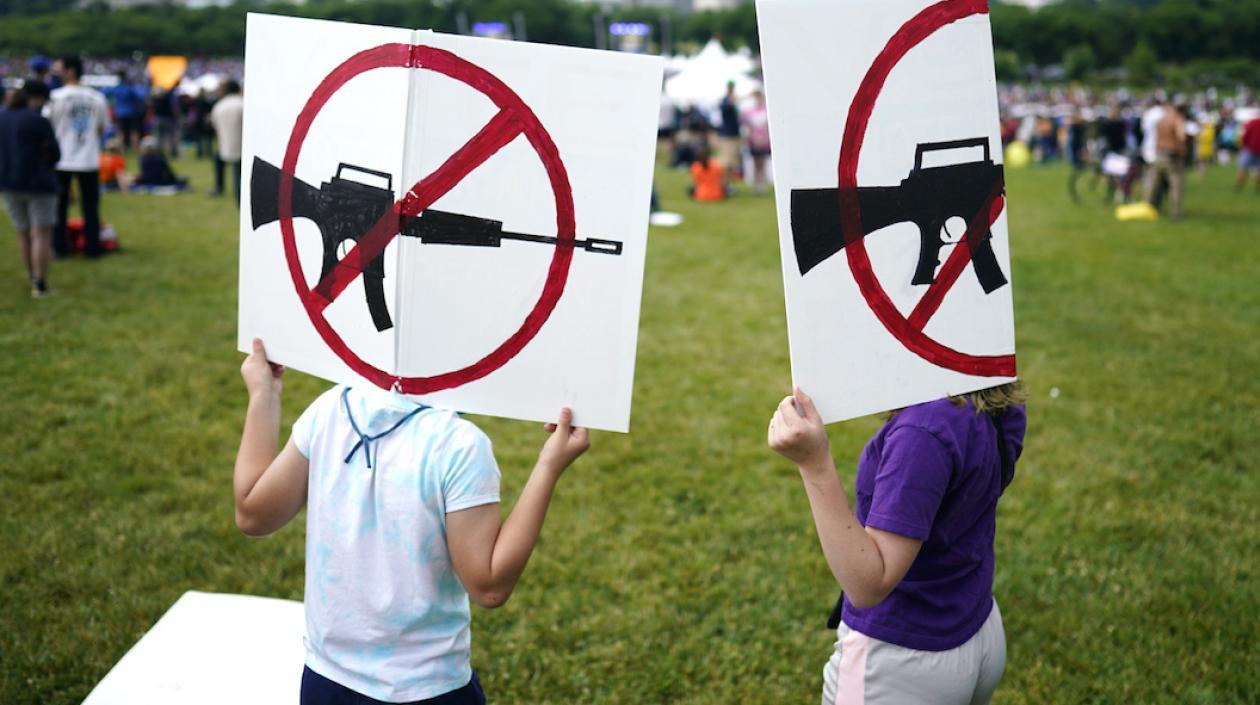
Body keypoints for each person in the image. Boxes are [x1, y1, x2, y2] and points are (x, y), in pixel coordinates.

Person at [233, 339, 590, 705]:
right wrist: (548, 467)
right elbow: (490, 586)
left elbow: (253, 514)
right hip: (426, 689)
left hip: (325, 683)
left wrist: (264, 394)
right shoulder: (459, 446)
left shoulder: (328, 410)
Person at [768, 383, 1026, 705]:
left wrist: (814, 464)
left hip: (901, 663)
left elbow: (869, 585)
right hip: (977, 625)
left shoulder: (923, 432)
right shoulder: (990, 392)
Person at [0, 82, 60, 297]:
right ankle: (39, 283)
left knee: (22, 233)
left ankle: (31, 277)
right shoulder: (38, 121)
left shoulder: (2, 117)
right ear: (37, 98)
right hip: (38, 184)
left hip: (8, 183)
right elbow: (55, 154)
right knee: (41, 234)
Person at [47, 56, 108, 258]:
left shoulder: (56, 97)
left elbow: (48, 127)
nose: (56, 71)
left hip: (61, 158)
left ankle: (59, 247)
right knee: (90, 207)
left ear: (71, 70)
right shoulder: (97, 97)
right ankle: (92, 248)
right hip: (89, 158)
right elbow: (101, 128)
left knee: (59, 207)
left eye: (59, 68)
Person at [1144, 100, 1187, 220]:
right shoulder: (1177, 119)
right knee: (1176, 185)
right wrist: (1182, 149)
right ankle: (1176, 212)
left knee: (1153, 184)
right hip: (1171, 156)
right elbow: (1181, 136)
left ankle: (1147, 208)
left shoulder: (1161, 120)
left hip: (1158, 154)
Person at [210, 80, 244, 203]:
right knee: (239, 175)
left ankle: (219, 187)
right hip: (242, 145)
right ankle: (239, 198)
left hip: (226, 143)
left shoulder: (219, 106)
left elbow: (214, 125)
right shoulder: (242, 104)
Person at [741, 90, 771, 194]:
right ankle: (756, 184)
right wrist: (754, 137)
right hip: (754, 141)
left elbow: (768, 126)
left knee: (762, 162)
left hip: (764, 141)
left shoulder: (766, 110)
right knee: (755, 162)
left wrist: (764, 137)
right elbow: (748, 126)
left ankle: (762, 183)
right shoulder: (749, 112)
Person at [109, 71, 148, 152]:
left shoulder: (117, 88)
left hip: (120, 113)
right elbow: (140, 97)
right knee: (133, 132)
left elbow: (106, 92)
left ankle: (120, 149)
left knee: (121, 132)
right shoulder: (130, 88)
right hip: (131, 113)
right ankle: (135, 150)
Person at [716, 81, 742, 180]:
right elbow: (724, 109)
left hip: (733, 134)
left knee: (732, 161)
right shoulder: (725, 100)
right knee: (726, 161)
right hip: (727, 135)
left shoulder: (733, 100)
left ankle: (729, 183)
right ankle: (725, 182)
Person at [1235, 116, 1260, 193]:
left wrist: (1243, 144)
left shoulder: (1252, 122)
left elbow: (1245, 134)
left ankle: (1238, 188)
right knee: (1258, 170)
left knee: (1243, 168)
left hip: (1248, 148)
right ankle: (1257, 189)